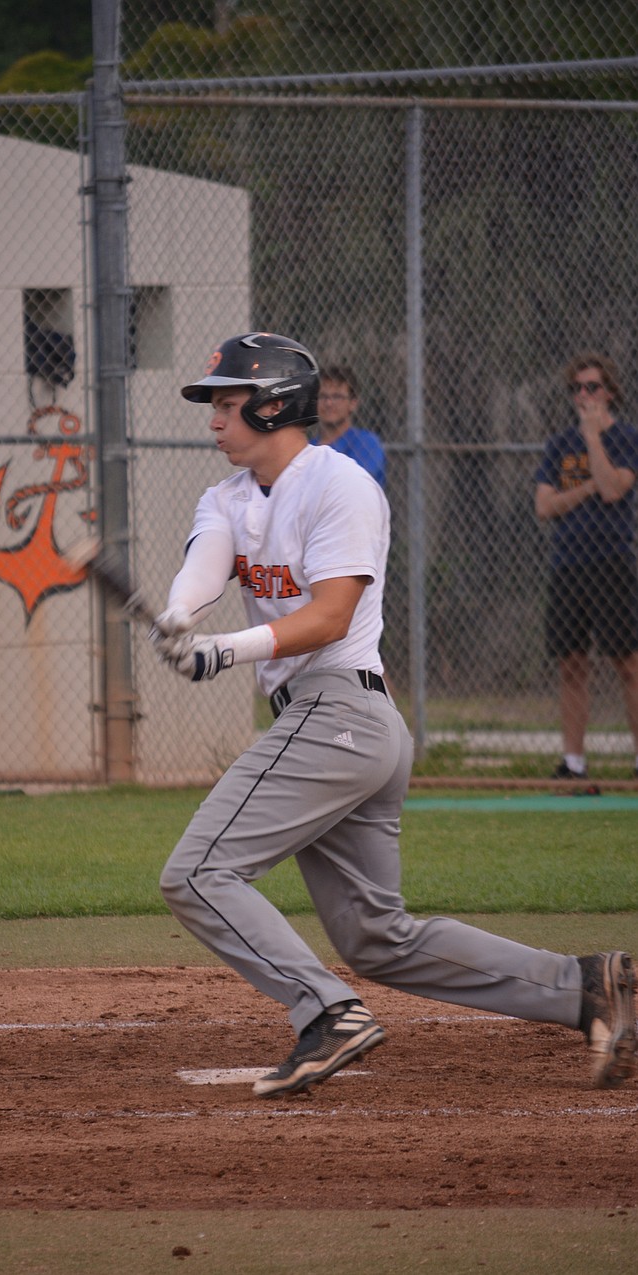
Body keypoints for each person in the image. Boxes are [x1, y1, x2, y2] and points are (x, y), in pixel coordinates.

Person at [149, 331, 636, 1098]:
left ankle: (327, 1012)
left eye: (229, 402)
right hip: (340, 729)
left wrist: (227, 649)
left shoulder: (340, 485)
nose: (214, 417)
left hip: (338, 710)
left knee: (197, 872)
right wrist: (180, 616)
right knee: (377, 937)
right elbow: (205, 565)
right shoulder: (228, 498)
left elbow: (332, 614)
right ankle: (585, 987)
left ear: (276, 404)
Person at [534, 351, 638, 781]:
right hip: (568, 564)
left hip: (613, 560)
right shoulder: (558, 445)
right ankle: (573, 762)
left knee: (628, 663)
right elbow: (545, 506)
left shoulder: (626, 438)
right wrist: (591, 485)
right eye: (577, 388)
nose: (584, 395)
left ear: (610, 392)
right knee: (571, 664)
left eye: (592, 387)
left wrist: (594, 439)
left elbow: (615, 490)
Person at [312, 364, 386, 488]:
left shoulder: (366, 443)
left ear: (353, 403)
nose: (329, 403)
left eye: (337, 397)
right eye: (323, 396)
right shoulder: (309, 447)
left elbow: (352, 485)